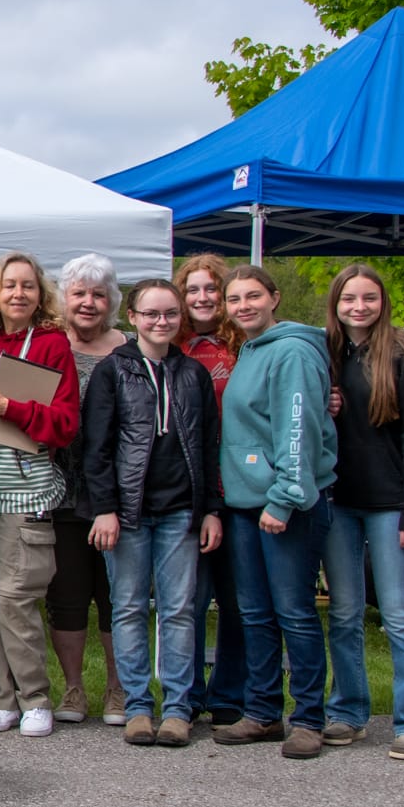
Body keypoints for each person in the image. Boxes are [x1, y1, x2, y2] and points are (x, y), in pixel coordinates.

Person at [81, 279, 222, 748]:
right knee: (128, 608)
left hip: (182, 511)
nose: (161, 322)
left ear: (180, 318)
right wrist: (105, 508)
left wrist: (211, 510)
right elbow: (95, 448)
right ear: (134, 318)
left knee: (180, 610)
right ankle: (138, 705)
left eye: (170, 315)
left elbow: (209, 447)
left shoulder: (193, 374)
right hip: (127, 512)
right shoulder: (111, 371)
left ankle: (179, 707)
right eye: (151, 314)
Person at [0, 251, 79, 738]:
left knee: (15, 597)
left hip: (23, 491)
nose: (18, 294)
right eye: (9, 285)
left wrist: (12, 408)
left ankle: (35, 697)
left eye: (27, 285)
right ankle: (2, 697)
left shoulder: (50, 345)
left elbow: (65, 425)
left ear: (39, 293)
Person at [210, 265, 337, 760]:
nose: (243, 306)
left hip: (286, 505)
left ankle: (308, 719)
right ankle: (262, 713)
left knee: (295, 614)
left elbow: (297, 426)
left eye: (253, 296)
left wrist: (284, 497)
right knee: (254, 614)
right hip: (245, 504)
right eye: (235, 299)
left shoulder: (292, 351)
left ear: (274, 298)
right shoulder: (250, 350)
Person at [320, 264, 404, 761]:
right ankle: (348, 711)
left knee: (399, 615)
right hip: (340, 502)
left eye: (368, 298)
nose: (358, 307)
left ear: (382, 302)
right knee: (344, 614)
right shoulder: (326, 352)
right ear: (336, 303)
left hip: (393, 506)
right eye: (349, 299)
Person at [50, 253, 127, 726]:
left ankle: (120, 691)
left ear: (112, 302)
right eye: (79, 293)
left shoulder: (129, 351)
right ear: (64, 299)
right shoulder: (49, 345)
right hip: (58, 492)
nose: (88, 302)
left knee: (118, 597)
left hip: (117, 496)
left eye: (98, 294)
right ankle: (74, 689)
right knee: (67, 596)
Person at [174, 253, 245, 727]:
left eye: (211, 289)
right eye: (193, 290)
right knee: (190, 601)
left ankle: (231, 695)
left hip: (240, 488)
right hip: (191, 493)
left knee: (238, 601)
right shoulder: (172, 348)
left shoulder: (244, 346)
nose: (202, 298)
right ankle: (189, 693)